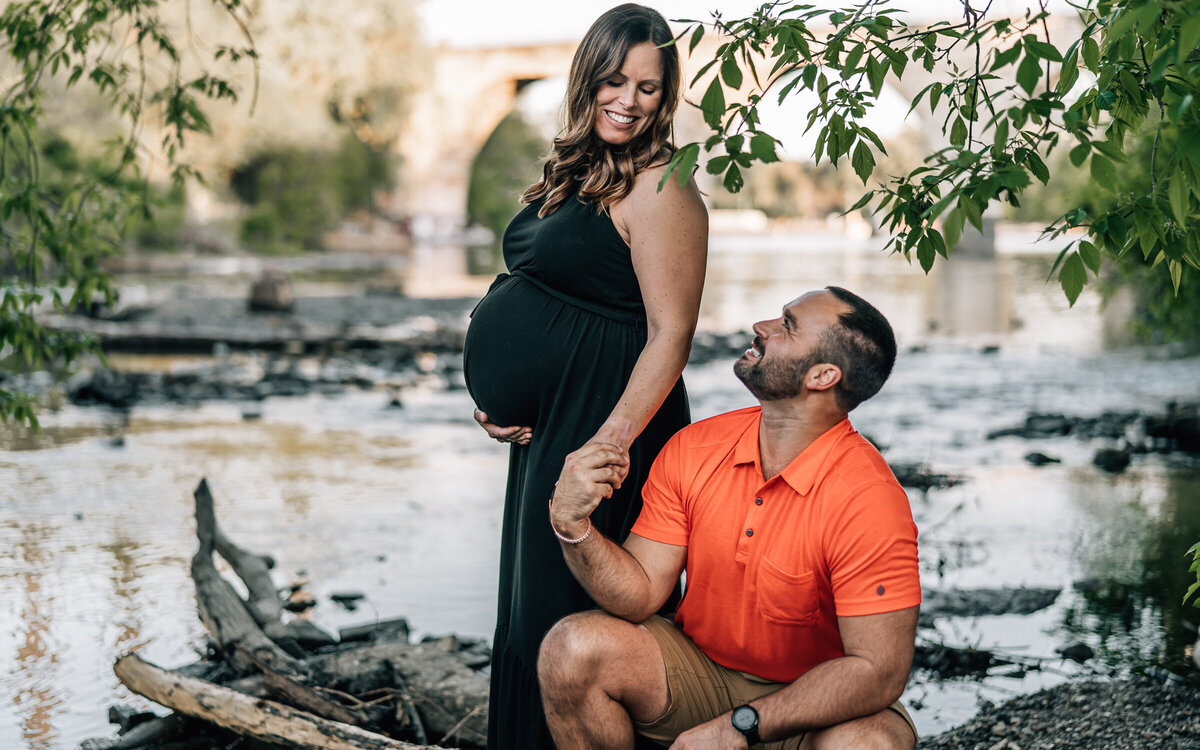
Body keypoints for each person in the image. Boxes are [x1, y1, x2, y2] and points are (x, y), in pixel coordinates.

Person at [461, 4, 708, 748]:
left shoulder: (665, 182)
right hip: (553, 425)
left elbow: (672, 335)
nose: (628, 100)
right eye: (613, 80)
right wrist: (500, 396)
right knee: (530, 603)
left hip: (610, 428)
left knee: (580, 615)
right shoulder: (576, 171)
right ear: (586, 79)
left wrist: (604, 448)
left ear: (667, 97)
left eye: (649, 87)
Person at [538, 287, 921, 750]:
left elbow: (878, 672)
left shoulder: (869, 500)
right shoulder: (696, 447)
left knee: (870, 744)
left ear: (822, 375)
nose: (762, 328)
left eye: (787, 325)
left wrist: (737, 726)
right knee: (572, 648)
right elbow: (638, 595)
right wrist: (572, 526)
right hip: (702, 675)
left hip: (819, 703)